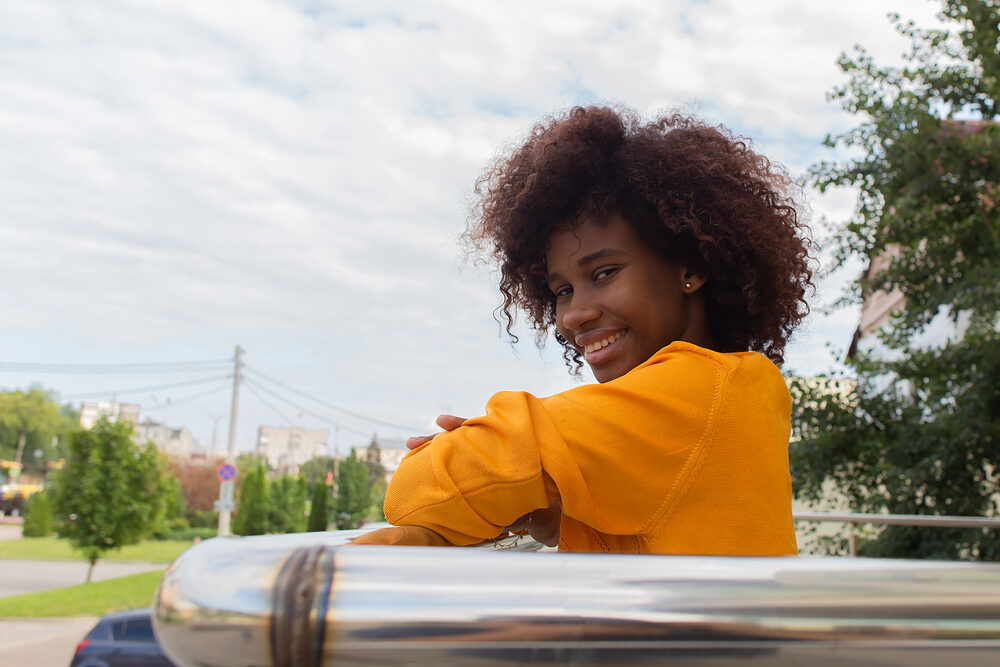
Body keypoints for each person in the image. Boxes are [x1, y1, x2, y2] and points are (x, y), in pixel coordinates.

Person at [354, 105, 813, 554]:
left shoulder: (696, 390)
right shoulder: (737, 386)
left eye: (605, 272)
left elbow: (414, 493)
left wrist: (463, 455)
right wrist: (555, 511)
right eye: (562, 291)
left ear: (689, 265)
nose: (573, 315)